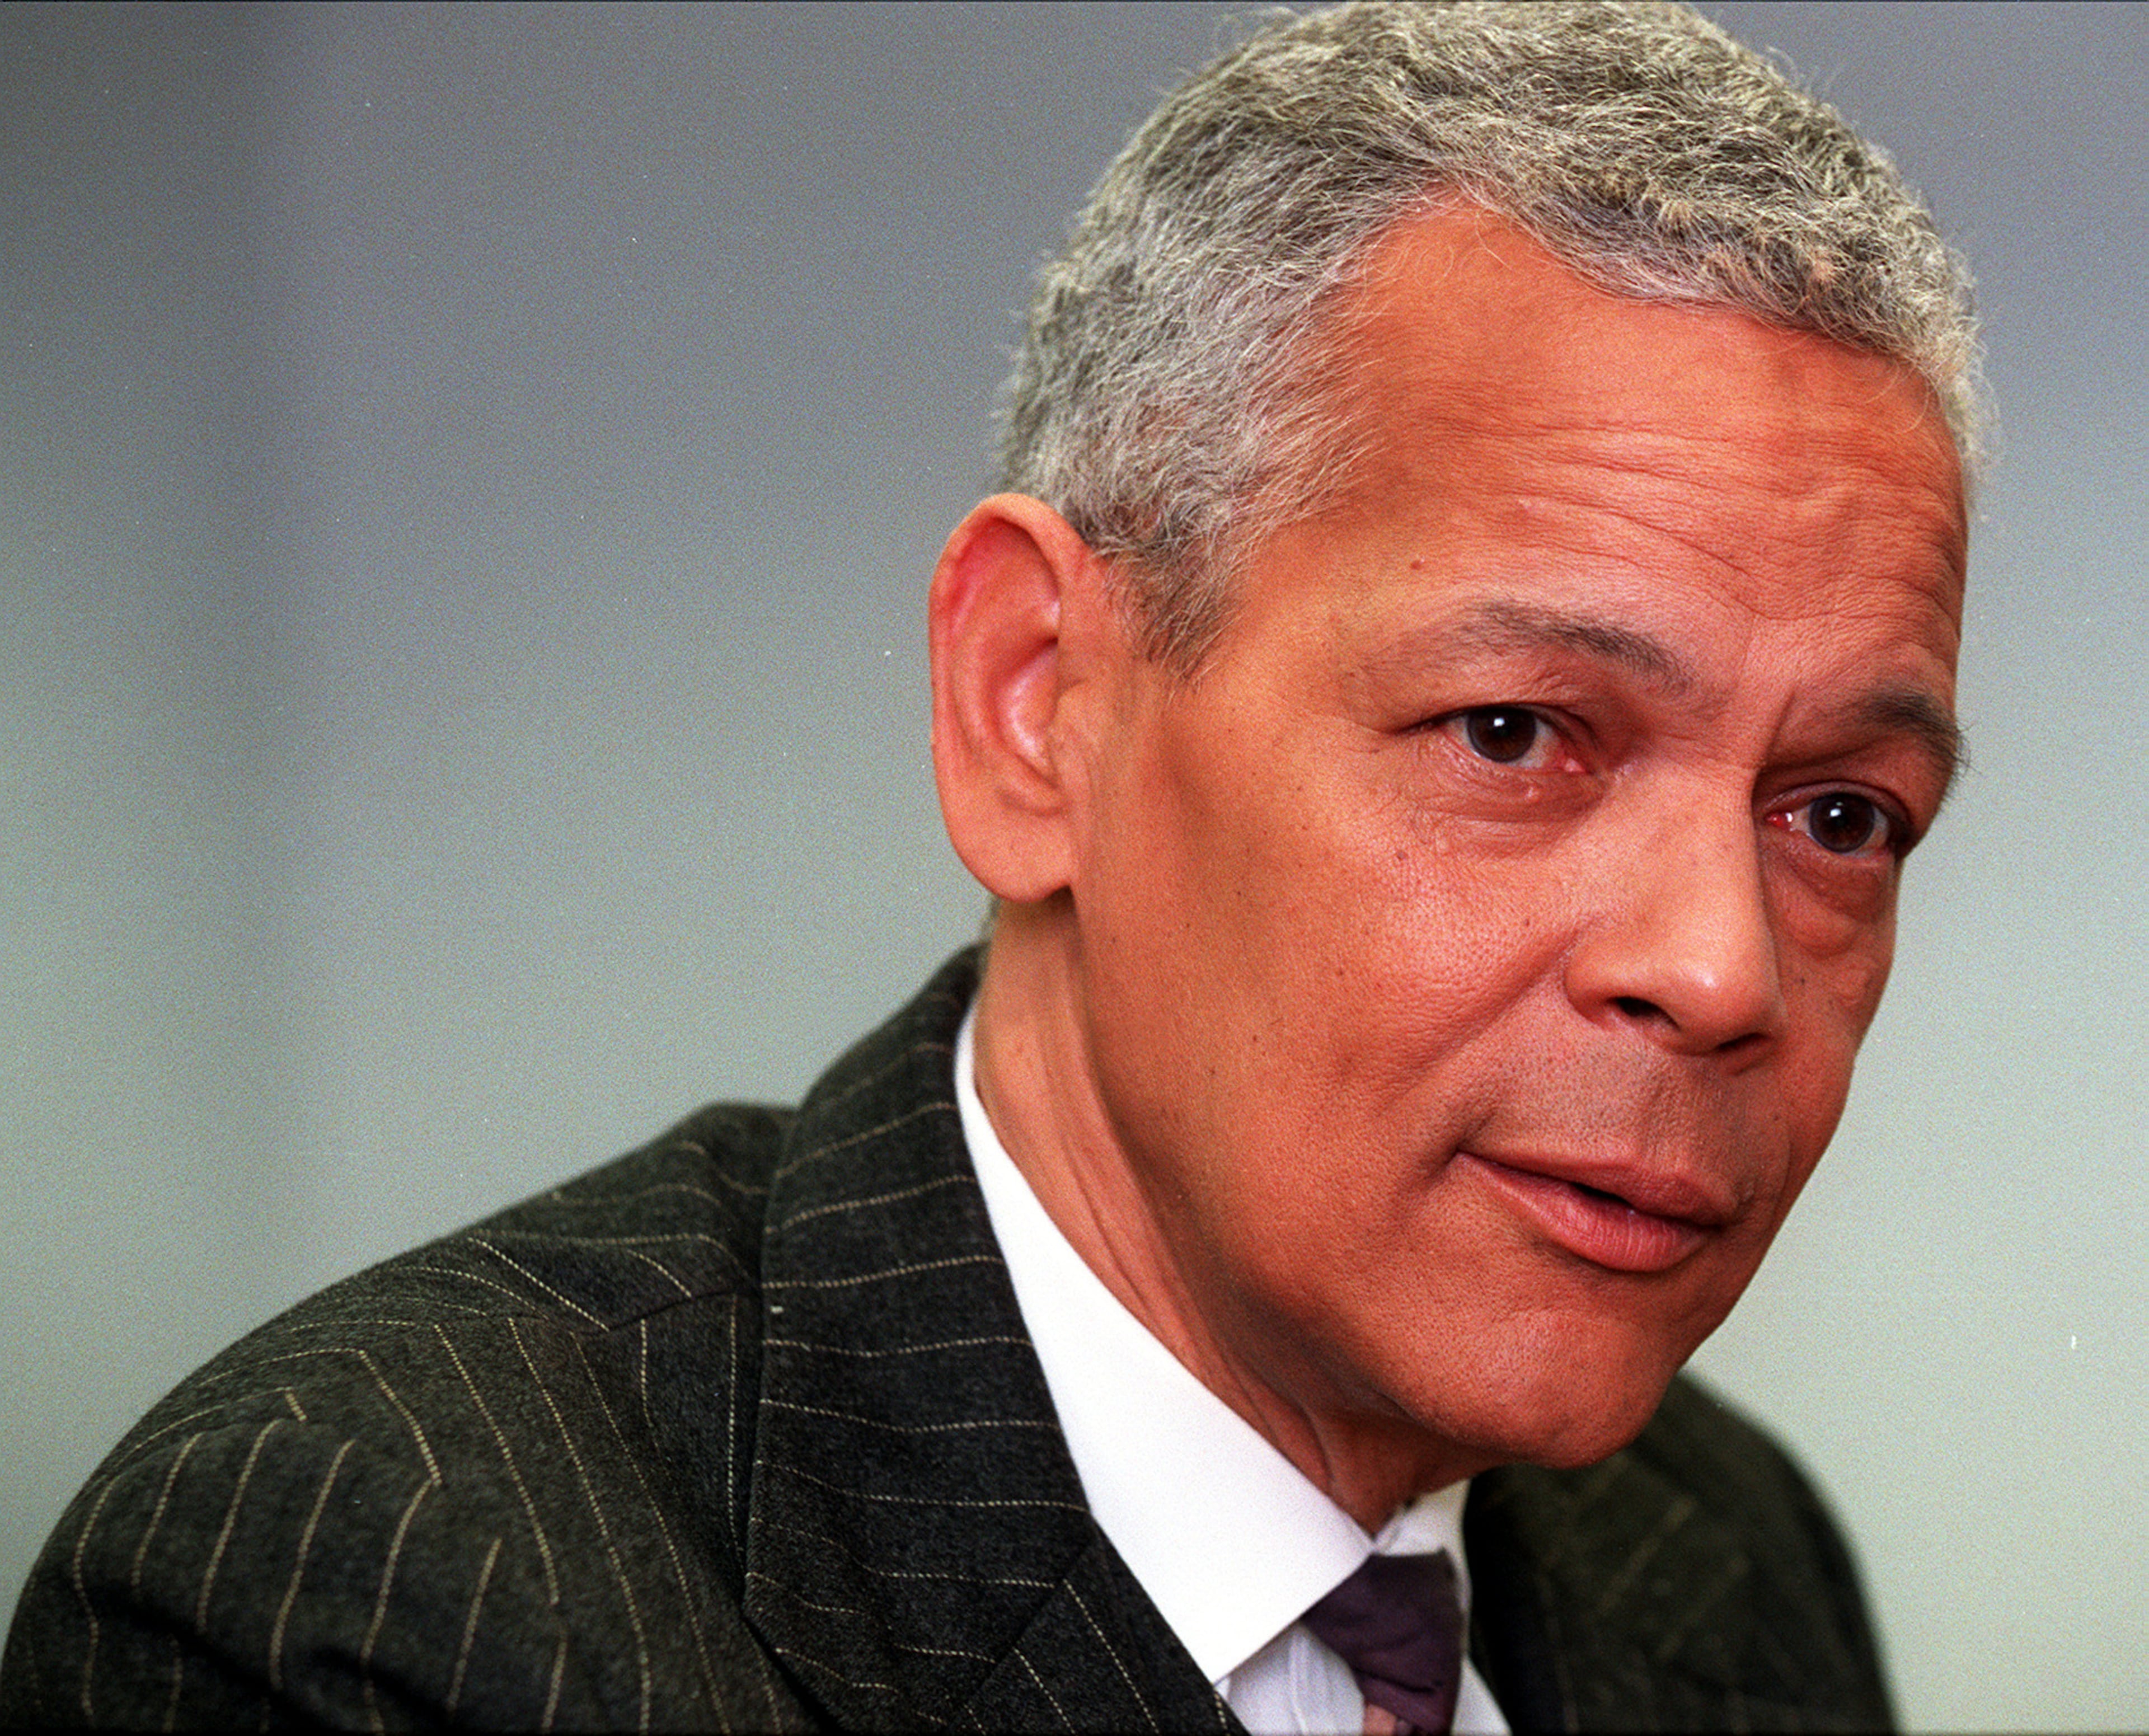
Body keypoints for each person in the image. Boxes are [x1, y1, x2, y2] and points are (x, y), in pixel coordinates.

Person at [3, 3, 1979, 1729]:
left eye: (1839, 816)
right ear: (1040, 705)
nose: (1720, 970)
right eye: (1515, 733)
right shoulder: (371, 1596)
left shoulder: (1730, 1561)